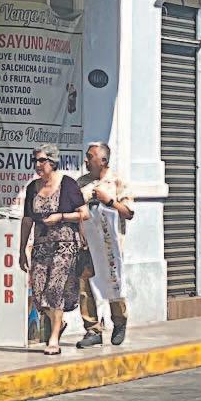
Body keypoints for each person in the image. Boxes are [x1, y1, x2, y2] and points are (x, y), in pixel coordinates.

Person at [18, 144, 88, 356]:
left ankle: (54, 338)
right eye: (35, 161)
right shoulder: (32, 187)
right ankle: (59, 322)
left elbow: (84, 214)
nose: (38, 165)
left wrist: (61, 217)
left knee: (55, 289)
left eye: (42, 160)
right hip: (41, 246)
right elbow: (27, 220)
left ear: (52, 161)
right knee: (39, 293)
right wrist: (22, 249)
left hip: (65, 245)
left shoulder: (67, 184)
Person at [76, 142, 134, 348]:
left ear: (103, 160)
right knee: (85, 285)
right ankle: (92, 329)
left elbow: (129, 213)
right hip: (87, 244)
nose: (85, 160)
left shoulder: (117, 182)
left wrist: (109, 201)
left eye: (90, 156)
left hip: (110, 245)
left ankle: (119, 322)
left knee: (112, 284)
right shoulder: (81, 183)